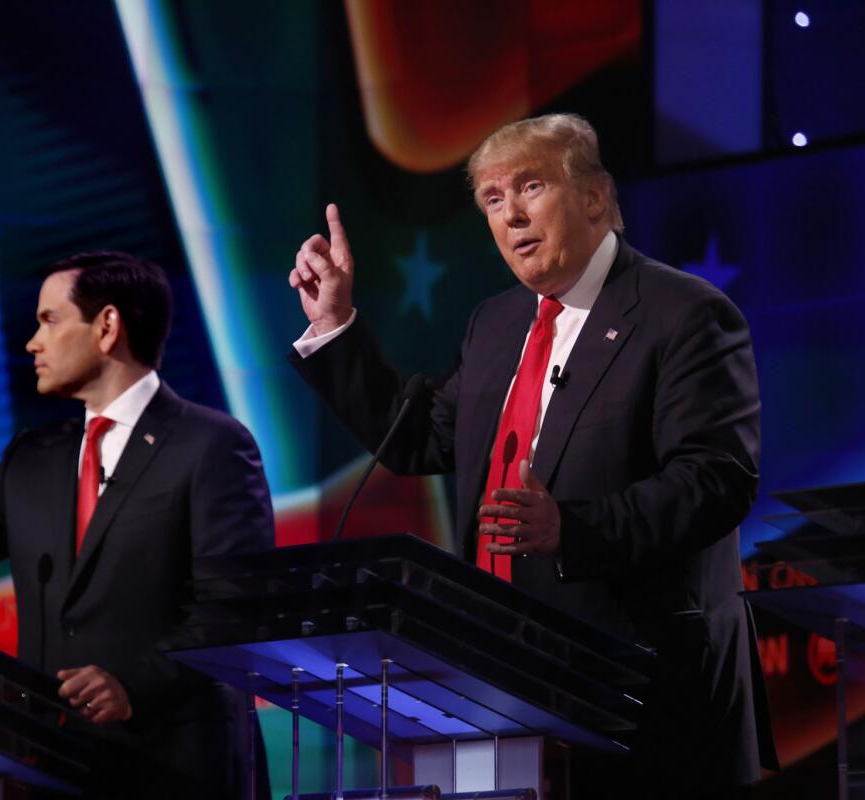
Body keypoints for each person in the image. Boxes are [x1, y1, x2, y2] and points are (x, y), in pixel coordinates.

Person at [287, 114, 777, 796]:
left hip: (643, 688)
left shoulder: (685, 314)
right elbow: (421, 436)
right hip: (501, 676)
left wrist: (572, 531)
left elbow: (717, 480)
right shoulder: (498, 322)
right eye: (492, 199)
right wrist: (334, 324)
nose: (511, 214)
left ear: (596, 198)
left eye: (531, 186)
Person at [0, 251, 275, 798]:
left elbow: (237, 607)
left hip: (174, 768)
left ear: (107, 327)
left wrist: (135, 684)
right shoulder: (34, 458)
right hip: (49, 767)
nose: (32, 343)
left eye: (49, 320)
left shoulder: (210, 445)